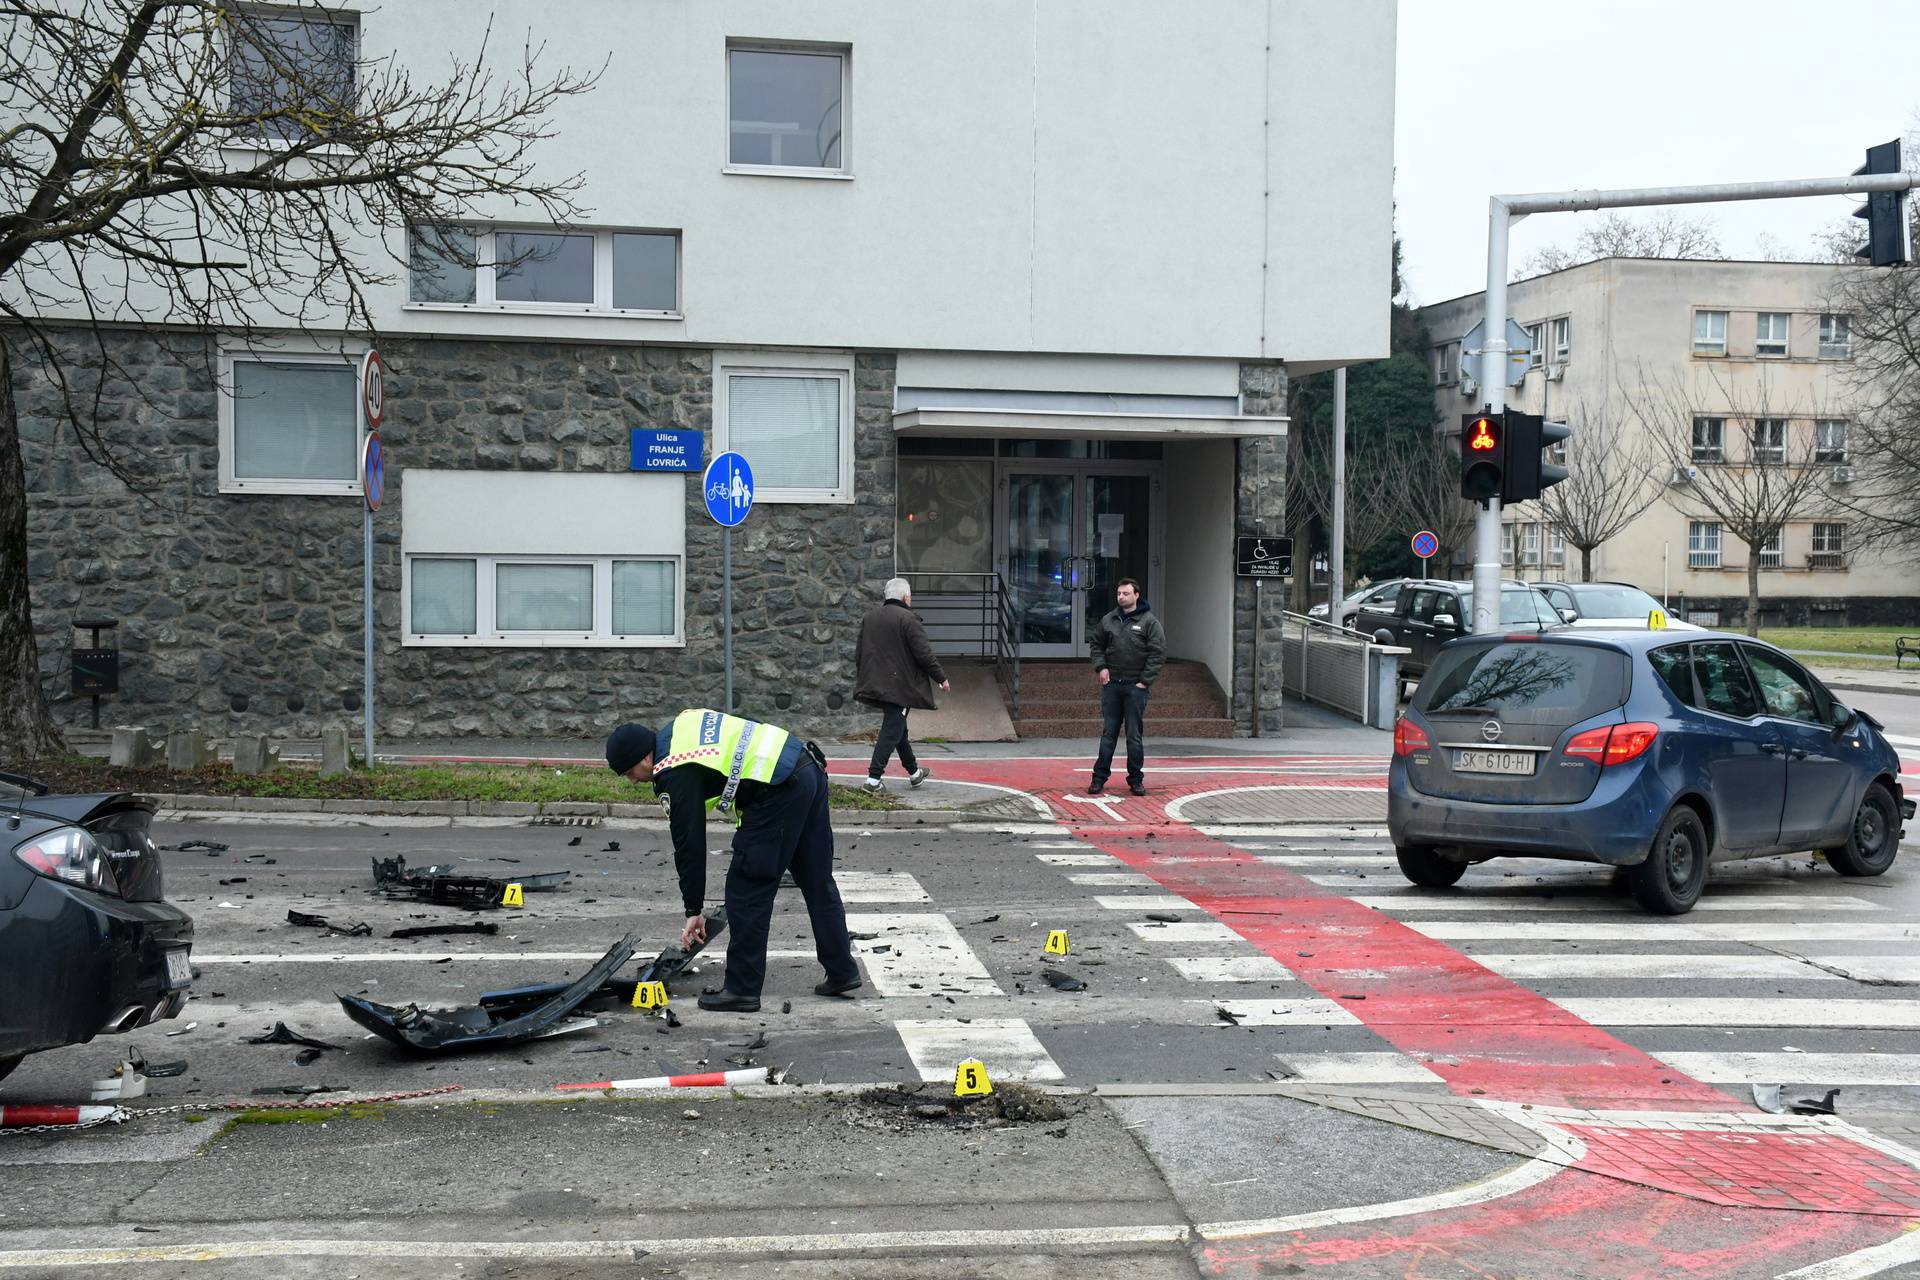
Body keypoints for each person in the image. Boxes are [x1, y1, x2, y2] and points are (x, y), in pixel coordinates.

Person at [606, 711, 862, 1013]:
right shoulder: (682, 727)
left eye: (629, 772)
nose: (633, 781)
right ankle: (842, 970)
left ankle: (741, 990)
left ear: (644, 758)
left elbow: (688, 842)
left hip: (776, 788)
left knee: (747, 889)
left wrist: (693, 910)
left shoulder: (672, 769)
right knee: (817, 881)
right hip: (806, 767)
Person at [853, 577, 950, 793]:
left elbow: (859, 652)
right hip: (900, 687)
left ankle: (914, 773)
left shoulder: (870, 618)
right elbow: (923, 654)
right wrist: (941, 678)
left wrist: (865, 676)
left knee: (898, 730)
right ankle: (873, 780)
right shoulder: (908, 619)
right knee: (891, 730)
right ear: (906, 597)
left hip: (876, 683)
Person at [1086, 577, 1165, 797]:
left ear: (1136, 595)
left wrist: (1144, 681)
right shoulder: (1108, 620)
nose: (1121, 597)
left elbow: (1157, 653)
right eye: (1119, 593)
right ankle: (1098, 779)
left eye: (1126, 593)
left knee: (1134, 735)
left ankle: (1136, 780)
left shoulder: (1149, 622)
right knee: (1108, 733)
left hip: (1135, 688)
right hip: (1112, 686)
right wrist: (1101, 667)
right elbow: (1096, 644)